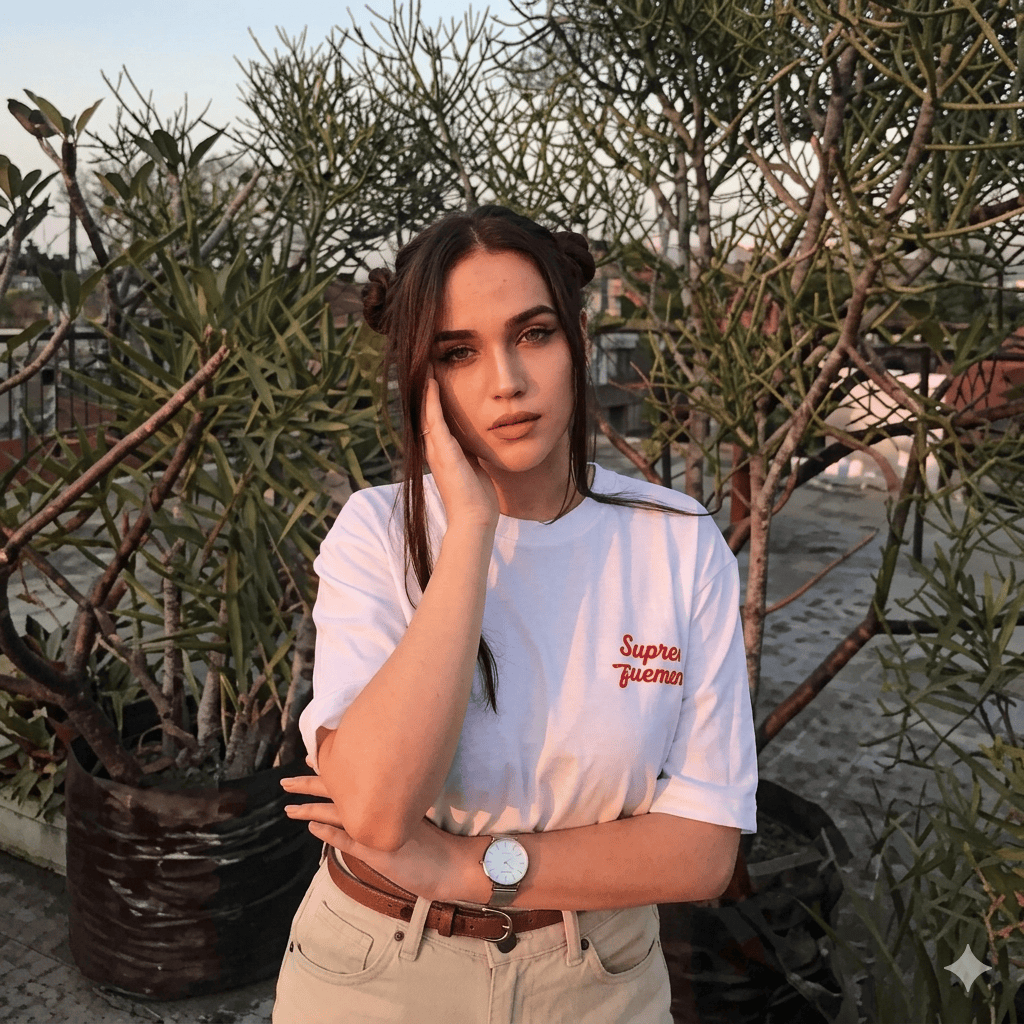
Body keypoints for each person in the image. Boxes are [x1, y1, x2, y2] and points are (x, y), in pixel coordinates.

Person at [272, 205, 758, 1024]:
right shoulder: (375, 532)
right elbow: (380, 810)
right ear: (421, 380)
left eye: (533, 334)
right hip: (377, 971)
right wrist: (471, 531)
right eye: (457, 353)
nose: (507, 381)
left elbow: (704, 849)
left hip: (600, 979)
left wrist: (466, 869)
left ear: (577, 340)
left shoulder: (676, 539)